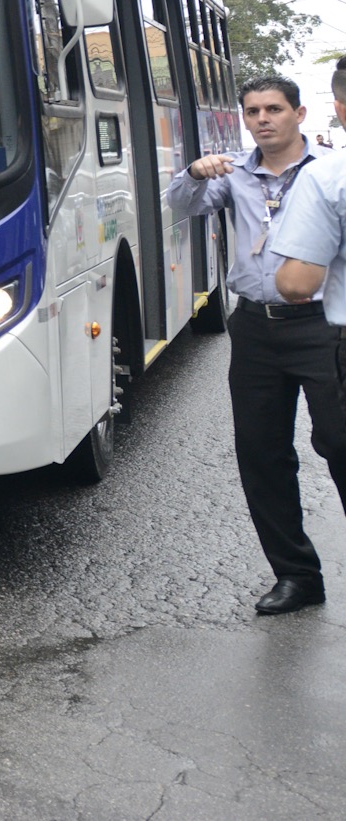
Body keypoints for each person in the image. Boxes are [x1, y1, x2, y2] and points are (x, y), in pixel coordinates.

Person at [169, 76, 346, 615]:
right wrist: (193, 173)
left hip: (324, 326)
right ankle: (296, 575)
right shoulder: (234, 174)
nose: (262, 119)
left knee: (339, 444)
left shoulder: (329, 170)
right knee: (261, 452)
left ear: (300, 113)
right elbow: (181, 203)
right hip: (256, 327)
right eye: (252, 111)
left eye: (274, 109)